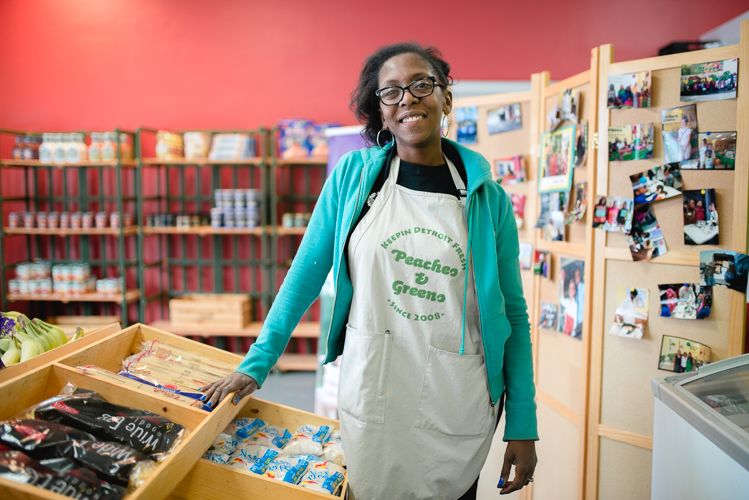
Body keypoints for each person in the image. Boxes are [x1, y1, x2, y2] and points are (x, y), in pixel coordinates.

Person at [197, 42, 537, 499]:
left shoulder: (486, 199)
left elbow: (512, 314)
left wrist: (522, 421)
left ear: (446, 97)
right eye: (391, 92)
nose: (408, 100)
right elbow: (304, 275)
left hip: (457, 394)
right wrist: (256, 365)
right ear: (378, 110)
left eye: (422, 85)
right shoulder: (354, 179)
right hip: (376, 386)